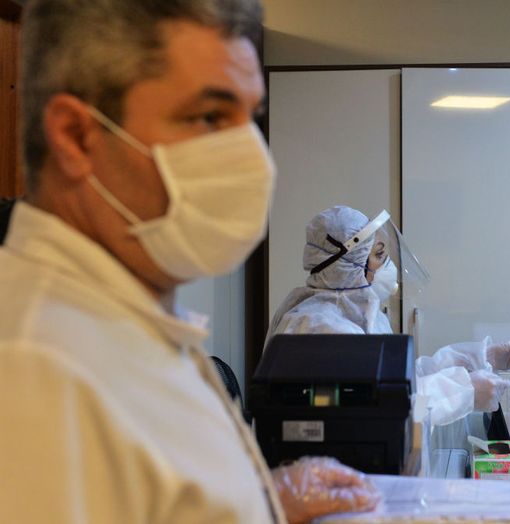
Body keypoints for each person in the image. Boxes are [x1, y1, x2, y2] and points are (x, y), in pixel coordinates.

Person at [0, 2, 378, 523]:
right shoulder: (35, 368)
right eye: (209, 117)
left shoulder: (130, 322)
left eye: (250, 119)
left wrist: (256, 500)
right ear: (76, 136)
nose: (252, 161)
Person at [267, 205, 510, 422]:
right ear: (349, 266)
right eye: (379, 255)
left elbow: (403, 380)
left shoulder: (362, 317)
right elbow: (385, 413)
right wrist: (464, 392)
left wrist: (483, 358)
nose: (388, 264)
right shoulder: (321, 329)